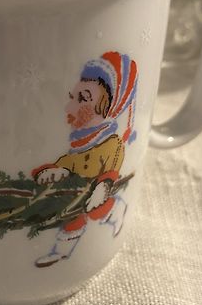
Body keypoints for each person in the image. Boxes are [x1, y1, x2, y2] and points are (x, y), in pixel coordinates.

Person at [32, 50, 137, 267]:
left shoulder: (111, 143)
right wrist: (55, 171)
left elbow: (112, 168)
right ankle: (61, 253)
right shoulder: (78, 145)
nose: (70, 107)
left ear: (106, 106)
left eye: (82, 99)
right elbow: (67, 164)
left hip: (94, 193)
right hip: (76, 193)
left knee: (96, 208)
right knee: (72, 218)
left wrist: (103, 185)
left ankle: (115, 210)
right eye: (73, 97)